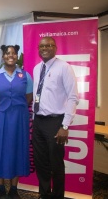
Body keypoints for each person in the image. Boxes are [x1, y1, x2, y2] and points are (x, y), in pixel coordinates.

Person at [32, 37, 79, 199]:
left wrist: (65, 126)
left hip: (55, 122)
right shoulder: (37, 68)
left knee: (56, 163)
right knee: (41, 162)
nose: (45, 48)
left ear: (55, 48)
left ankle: (58, 196)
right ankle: (44, 194)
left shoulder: (64, 68)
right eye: (42, 46)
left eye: (48, 45)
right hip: (38, 121)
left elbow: (73, 98)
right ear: (38, 49)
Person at [0, 45, 33, 199]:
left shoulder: (25, 76)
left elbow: (29, 97)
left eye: (14, 53)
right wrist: (1, 107)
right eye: (7, 53)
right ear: (3, 56)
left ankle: (14, 189)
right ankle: (0, 187)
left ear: (17, 56)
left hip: (19, 117)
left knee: (17, 148)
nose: (10, 56)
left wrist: (17, 108)